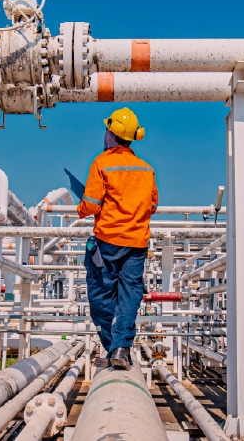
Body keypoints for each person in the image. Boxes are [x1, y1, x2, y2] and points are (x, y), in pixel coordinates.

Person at [77, 107, 158, 370]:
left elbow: (90, 204)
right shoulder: (147, 169)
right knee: (130, 295)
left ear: (111, 133)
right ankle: (121, 349)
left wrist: (81, 210)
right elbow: (153, 205)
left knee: (100, 294)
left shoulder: (102, 163)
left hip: (108, 241)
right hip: (136, 244)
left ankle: (112, 345)